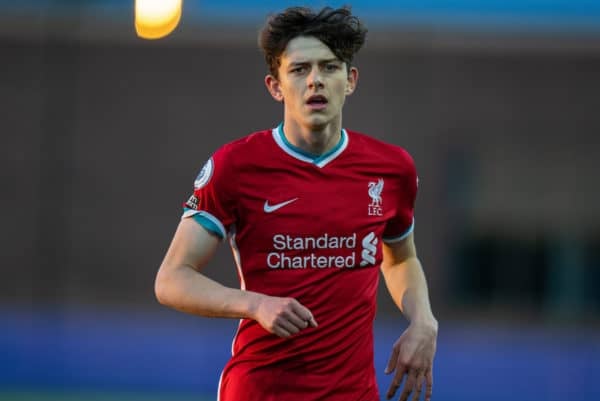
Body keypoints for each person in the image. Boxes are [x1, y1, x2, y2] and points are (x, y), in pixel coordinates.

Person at [155, 6, 438, 401]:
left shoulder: (392, 169)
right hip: (260, 390)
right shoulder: (235, 167)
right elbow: (171, 279)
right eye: (300, 69)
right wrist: (255, 305)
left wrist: (423, 320)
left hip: (353, 393)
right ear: (275, 86)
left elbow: (401, 259)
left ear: (350, 80)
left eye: (329, 68)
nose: (315, 81)